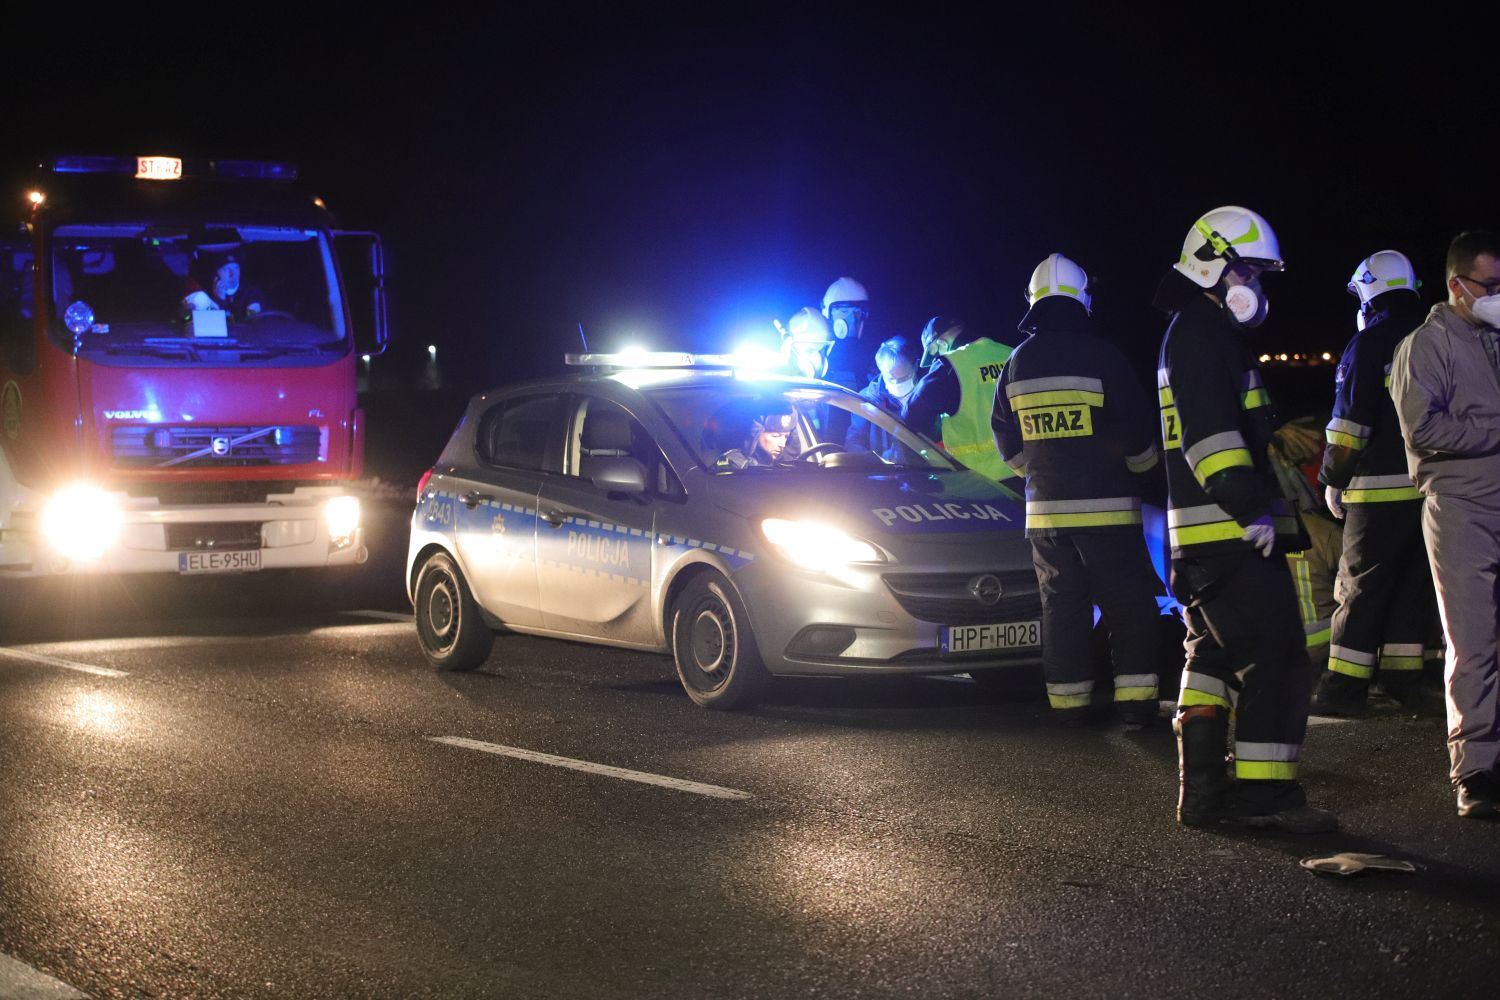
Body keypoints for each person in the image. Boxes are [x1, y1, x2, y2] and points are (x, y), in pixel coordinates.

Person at [1155, 205, 1336, 833]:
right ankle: (1267, 798)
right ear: (1213, 263)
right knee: (1279, 658)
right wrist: (1250, 508)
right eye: (1249, 272)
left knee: (1210, 656)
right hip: (1229, 530)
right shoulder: (1202, 335)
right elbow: (1212, 440)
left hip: (1202, 537)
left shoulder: (1194, 331)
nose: (1254, 288)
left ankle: (1202, 795)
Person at [991, 253, 1163, 728]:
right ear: (1082, 300)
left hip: (1045, 517)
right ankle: (1136, 707)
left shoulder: (1017, 362)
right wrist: (1142, 471)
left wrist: (1043, 475)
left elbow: (1006, 439)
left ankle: (1068, 708)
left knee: (1062, 609)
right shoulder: (1103, 355)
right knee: (1128, 606)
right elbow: (1137, 432)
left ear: (1034, 301)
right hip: (1108, 512)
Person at [1389, 231, 1500, 818]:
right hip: (1461, 508)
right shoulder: (1425, 346)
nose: (1497, 295)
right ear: (1457, 286)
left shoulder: (1494, 338)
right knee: (1473, 640)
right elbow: (1422, 431)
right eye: (1490, 286)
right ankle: (1476, 769)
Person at [1312, 250, 1436, 716]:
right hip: (1428, 491)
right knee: (1413, 586)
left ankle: (1343, 689)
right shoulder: (1434, 338)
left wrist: (1331, 479)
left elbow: (1350, 426)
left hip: (1376, 493)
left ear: (1368, 289)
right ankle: (1407, 681)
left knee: (1360, 589)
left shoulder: (1367, 345)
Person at [904, 315, 1016, 483]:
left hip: (975, 481)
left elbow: (911, 415)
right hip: (1021, 473)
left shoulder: (949, 365)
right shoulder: (1011, 354)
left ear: (941, 342)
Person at [845, 335, 919, 460]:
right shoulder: (867, 400)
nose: (897, 384)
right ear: (880, 371)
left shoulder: (929, 396)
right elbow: (853, 441)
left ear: (916, 366)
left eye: (903, 378)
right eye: (891, 379)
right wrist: (877, 461)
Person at [821, 277, 876, 392]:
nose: (852, 320)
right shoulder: (818, 352)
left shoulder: (870, 358)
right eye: (844, 311)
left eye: (857, 312)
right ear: (827, 314)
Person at [183, 252, 262, 320]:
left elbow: (254, 322)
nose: (232, 274)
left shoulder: (252, 294)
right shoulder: (204, 295)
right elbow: (212, 326)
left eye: (236, 268)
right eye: (226, 269)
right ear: (216, 274)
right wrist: (219, 300)